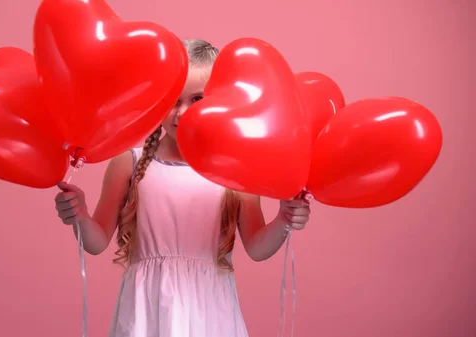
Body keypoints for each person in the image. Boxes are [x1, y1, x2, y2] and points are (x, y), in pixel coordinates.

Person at [54, 39, 311, 337]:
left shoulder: (236, 170)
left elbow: (256, 247)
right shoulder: (130, 162)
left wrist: (284, 220)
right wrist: (80, 216)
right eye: (173, 100)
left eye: (197, 99)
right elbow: (96, 242)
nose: (181, 113)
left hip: (210, 309)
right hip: (146, 309)